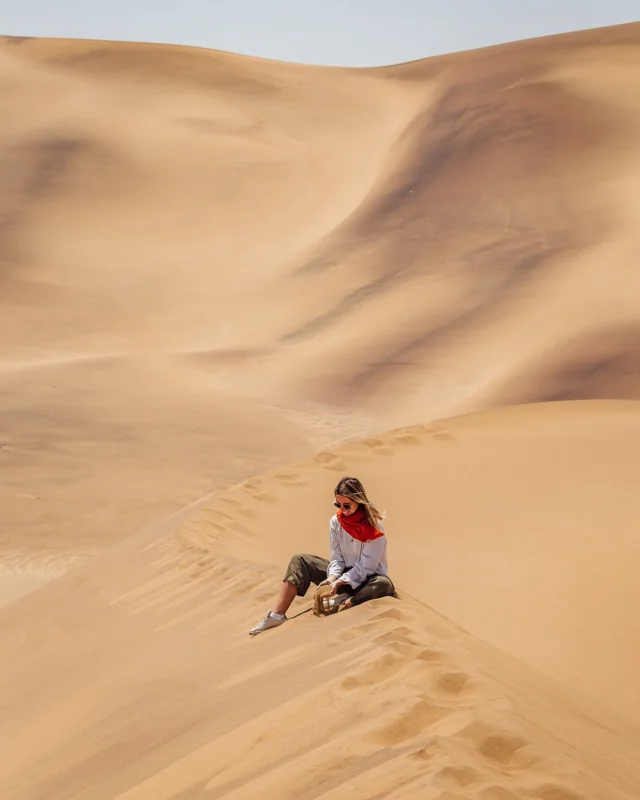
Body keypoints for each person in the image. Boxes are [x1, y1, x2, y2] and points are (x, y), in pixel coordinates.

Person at [249, 476, 396, 635]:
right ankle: (276, 615)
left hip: (367, 580)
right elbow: (337, 557)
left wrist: (341, 581)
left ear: (358, 501)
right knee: (300, 560)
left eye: (347, 506)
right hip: (342, 578)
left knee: (384, 583)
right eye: (338, 505)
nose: (342, 510)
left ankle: (346, 604)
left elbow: (368, 566)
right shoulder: (336, 522)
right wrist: (332, 578)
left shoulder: (374, 525)